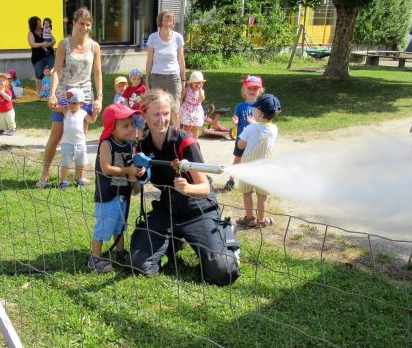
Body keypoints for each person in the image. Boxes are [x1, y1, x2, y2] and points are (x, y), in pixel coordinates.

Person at [129, 89, 241, 286]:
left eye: (166, 113)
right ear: (144, 114)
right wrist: (136, 175)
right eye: (156, 114)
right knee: (139, 265)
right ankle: (172, 245)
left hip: (198, 209)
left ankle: (225, 234)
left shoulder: (185, 141)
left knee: (223, 273)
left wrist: (188, 188)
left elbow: (205, 188)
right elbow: (138, 186)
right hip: (168, 209)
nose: (162, 119)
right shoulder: (141, 146)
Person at [39, 7, 104, 188]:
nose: (85, 27)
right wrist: (51, 94)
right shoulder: (64, 44)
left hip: (84, 97)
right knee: (56, 135)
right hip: (63, 96)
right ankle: (44, 174)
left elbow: (97, 73)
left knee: (80, 137)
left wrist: (99, 97)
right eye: (81, 23)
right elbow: (57, 71)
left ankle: (78, 176)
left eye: (88, 24)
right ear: (74, 23)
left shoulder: (94, 46)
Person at [90, 103, 145, 272]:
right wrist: (128, 170)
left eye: (131, 124)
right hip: (108, 195)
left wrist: (138, 170)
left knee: (120, 225)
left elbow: (131, 164)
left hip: (122, 193)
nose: (130, 129)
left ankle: (120, 252)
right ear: (112, 128)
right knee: (104, 225)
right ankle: (95, 258)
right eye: (125, 126)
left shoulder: (128, 145)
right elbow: (106, 168)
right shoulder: (106, 144)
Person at [235, 94, 281, 229]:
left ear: (259, 113)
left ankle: (249, 219)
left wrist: (245, 133)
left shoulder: (249, 129)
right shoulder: (274, 129)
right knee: (262, 195)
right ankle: (261, 220)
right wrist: (255, 125)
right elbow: (263, 129)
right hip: (265, 169)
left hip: (248, 168)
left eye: (254, 109)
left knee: (247, 193)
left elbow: (240, 146)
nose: (253, 111)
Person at [145, 10, 186, 127]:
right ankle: (155, 134)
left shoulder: (178, 38)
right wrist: (147, 82)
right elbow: (149, 61)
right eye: (165, 19)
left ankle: (176, 137)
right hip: (156, 76)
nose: (168, 22)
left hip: (173, 77)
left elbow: (181, 60)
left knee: (175, 108)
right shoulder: (153, 38)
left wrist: (183, 81)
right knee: (155, 106)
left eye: (170, 20)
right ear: (160, 21)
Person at [51, 88, 98, 189]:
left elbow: (92, 121)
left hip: (80, 143)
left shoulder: (83, 113)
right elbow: (54, 108)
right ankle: (64, 181)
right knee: (65, 164)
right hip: (67, 143)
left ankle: (80, 179)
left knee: (80, 163)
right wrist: (52, 101)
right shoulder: (65, 110)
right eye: (69, 103)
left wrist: (95, 112)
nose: (71, 105)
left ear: (81, 103)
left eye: (74, 103)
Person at [225, 75, 265, 191]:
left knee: (255, 161)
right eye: (249, 88)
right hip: (241, 139)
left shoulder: (261, 106)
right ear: (244, 90)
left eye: (255, 89)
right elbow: (235, 124)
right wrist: (235, 123)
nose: (252, 91)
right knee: (238, 159)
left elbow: (264, 123)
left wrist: (255, 123)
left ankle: (253, 182)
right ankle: (231, 180)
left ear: (260, 90)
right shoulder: (240, 106)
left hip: (255, 140)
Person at [27, 16, 55, 98]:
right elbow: (32, 44)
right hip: (38, 58)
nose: (41, 24)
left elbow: (53, 40)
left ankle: (52, 92)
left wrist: (49, 44)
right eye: (38, 23)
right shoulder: (31, 33)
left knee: (52, 73)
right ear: (34, 25)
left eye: (40, 22)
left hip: (49, 55)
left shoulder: (46, 29)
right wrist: (42, 44)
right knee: (39, 74)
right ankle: (39, 93)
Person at [179, 71, 206, 139]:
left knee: (196, 127)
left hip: (196, 110)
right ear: (191, 83)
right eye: (196, 82)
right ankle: (186, 140)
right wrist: (183, 91)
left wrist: (199, 90)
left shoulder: (201, 91)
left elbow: (202, 99)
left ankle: (195, 141)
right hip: (188, 110)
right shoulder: (188, 89)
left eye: (200, 82)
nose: (198, 84)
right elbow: (181, 96)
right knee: (187, 127)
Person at [123, 68, 148, 139]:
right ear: (130, 79)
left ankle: (140, 142)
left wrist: (144, 108)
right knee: (132, 128)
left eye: (138, 79)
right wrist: (128, 109)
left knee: (141, 128)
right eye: (134, 79)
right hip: (131, 113)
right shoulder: (128, 89)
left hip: (141, 113)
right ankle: (132, 143)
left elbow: (147, 99)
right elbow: (125, 99)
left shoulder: (143, 88)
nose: (136, 81)